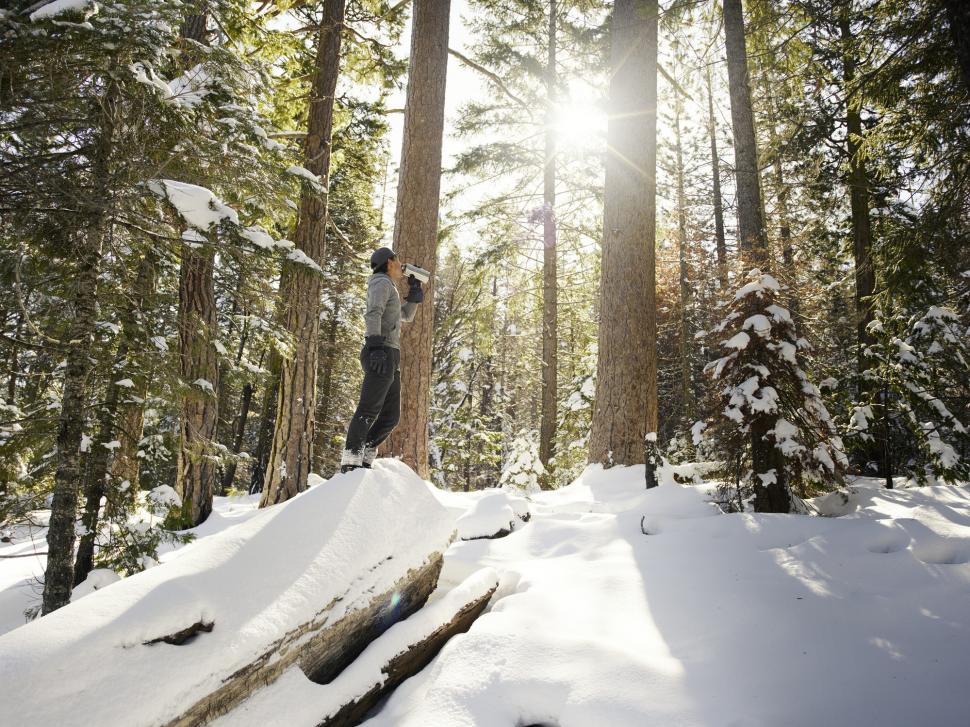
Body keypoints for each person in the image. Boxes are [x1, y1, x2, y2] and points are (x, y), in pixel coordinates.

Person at [340, 246, 424, 473]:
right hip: (380, 350)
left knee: (390, 416)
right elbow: (373, 313)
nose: (401, 265)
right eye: (398, 260)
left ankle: (366, 454)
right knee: (368, 409)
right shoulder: (380, 281)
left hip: (391, 354)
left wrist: (414, 296)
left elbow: (404, 316)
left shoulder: (391, 287)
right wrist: (375, 345)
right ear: (389, 262)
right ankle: (351, 460)